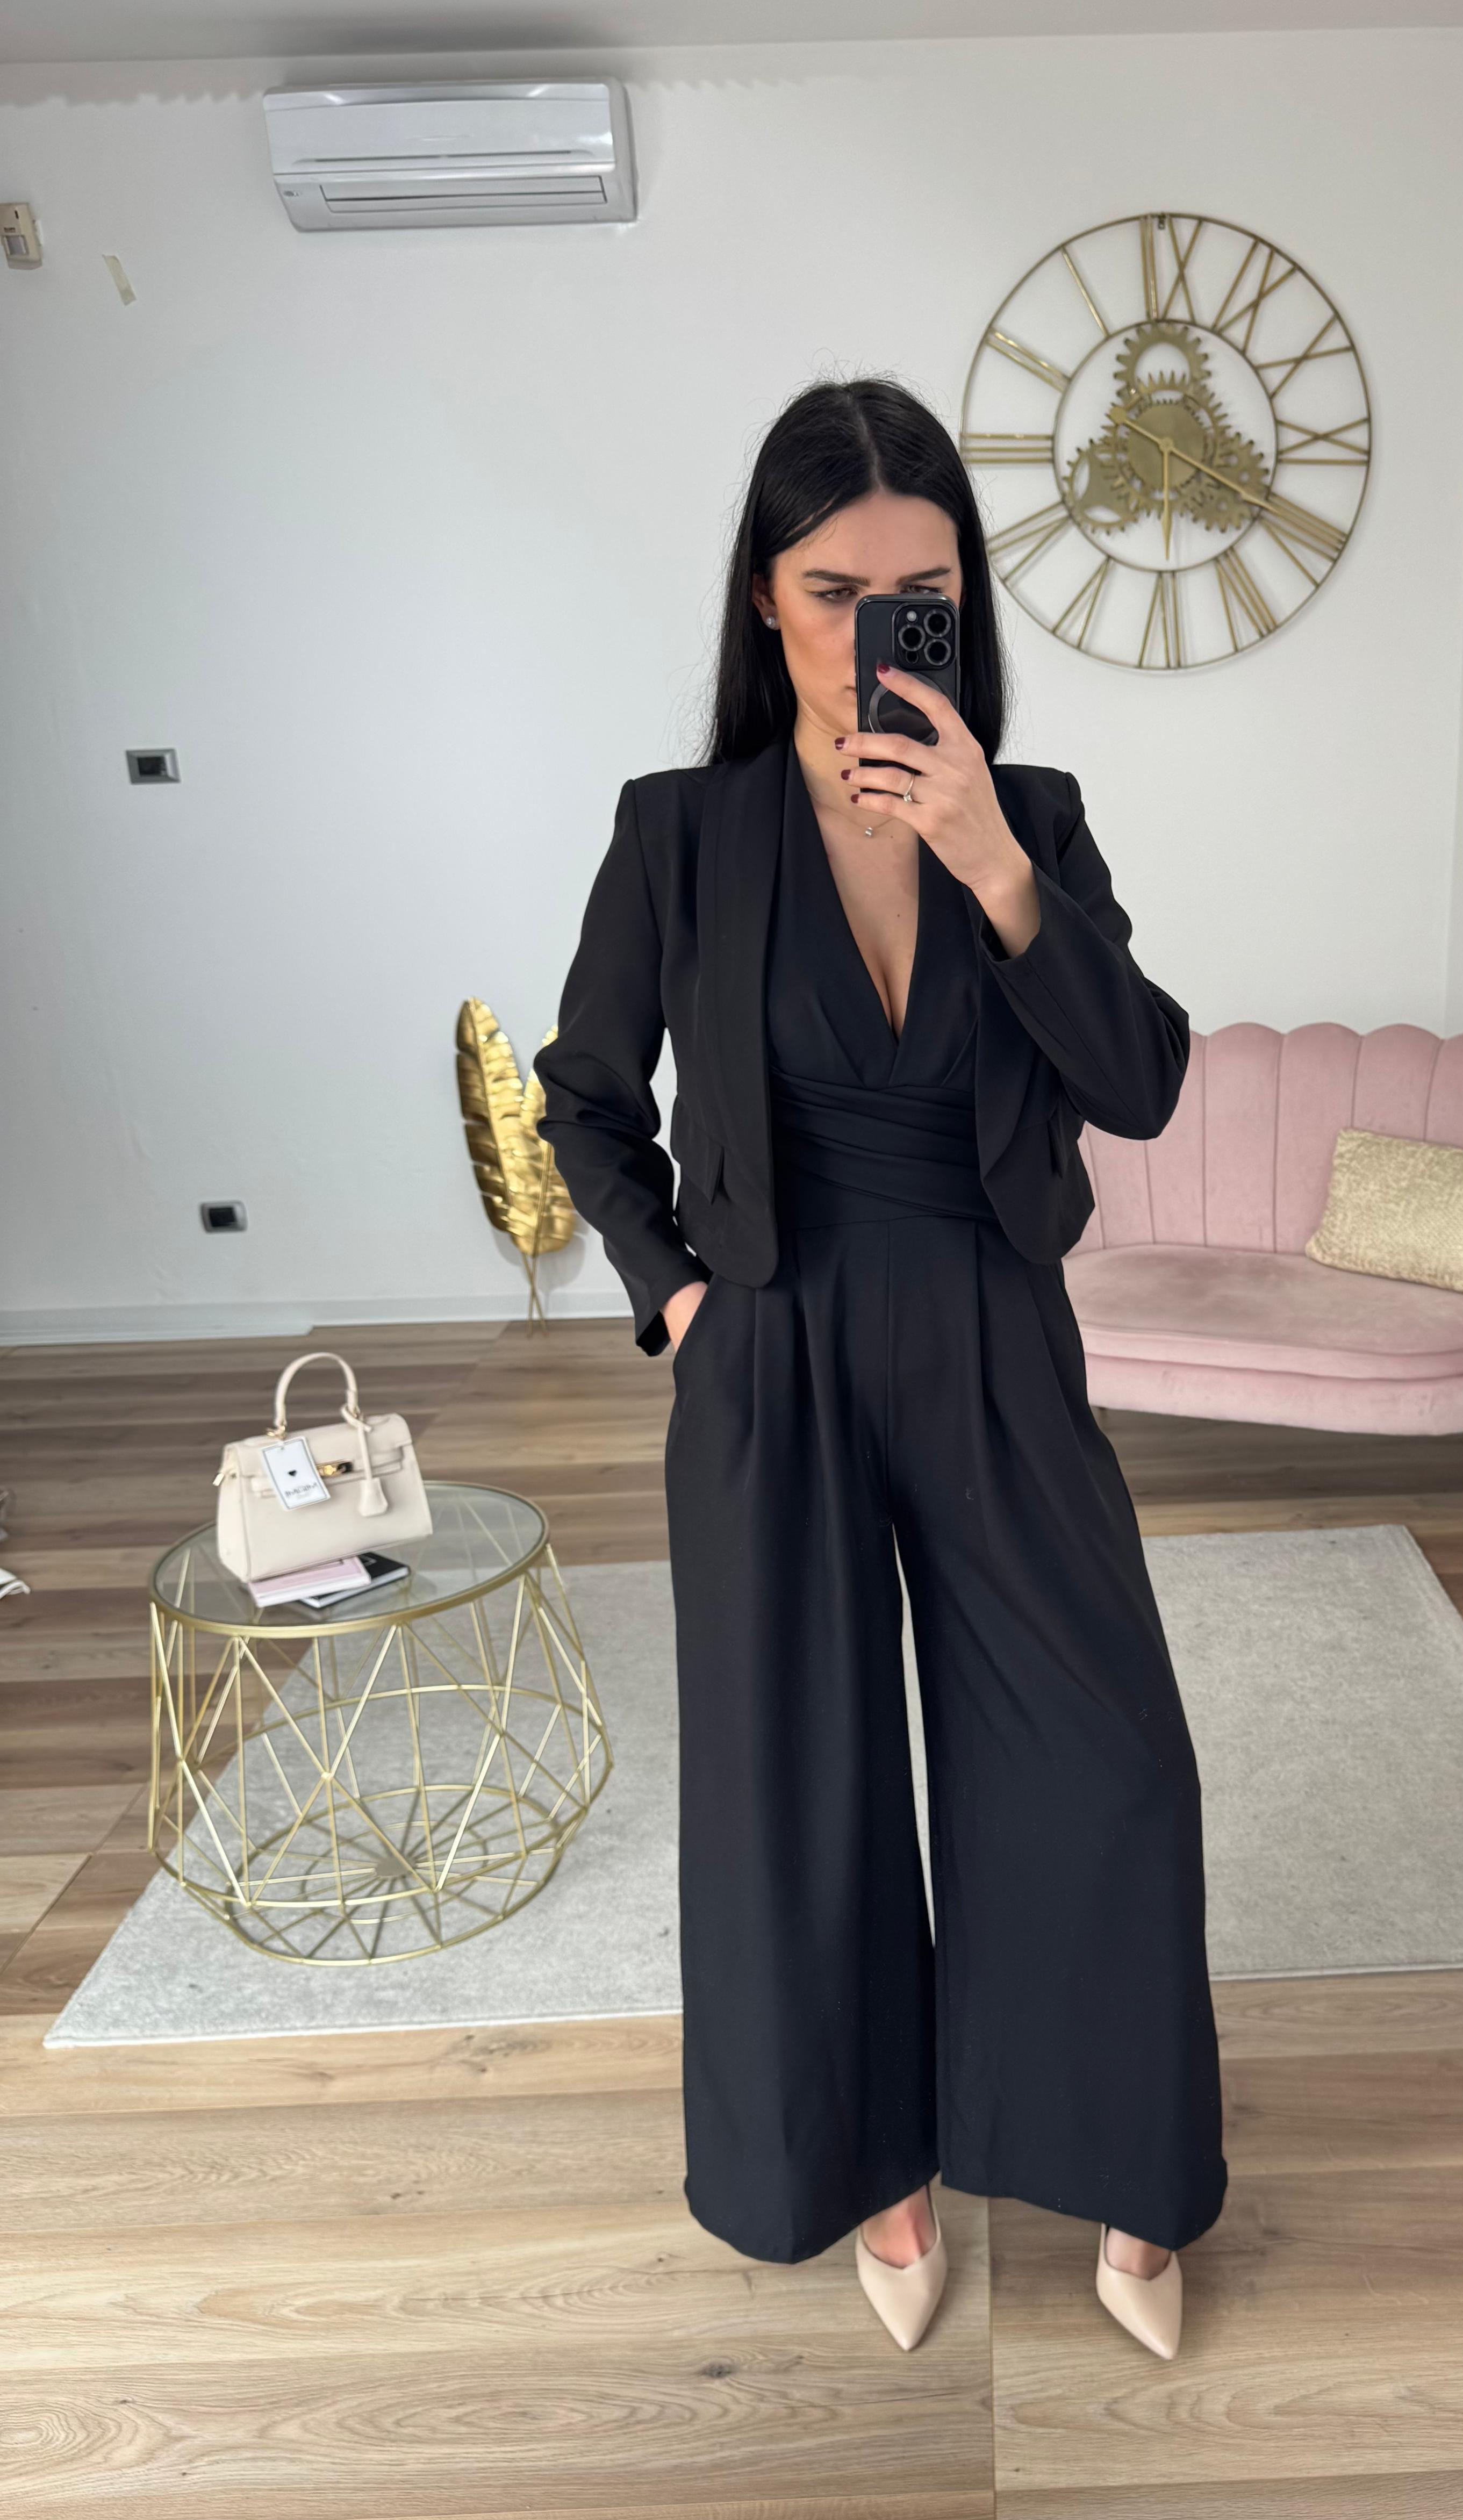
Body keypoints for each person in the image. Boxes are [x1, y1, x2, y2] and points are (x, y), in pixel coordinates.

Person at [535, 376, 1226, 2360]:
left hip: (999, 1332)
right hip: (777, 1347)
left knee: (1109, 1761)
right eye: (833, 590)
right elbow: (587, 1096)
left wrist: (996, 866)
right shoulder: (680, 834)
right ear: (766, 598)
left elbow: (1142, 1082)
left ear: (962, 602)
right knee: (801, 1796)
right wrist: (677, 1299)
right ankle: (882, 2178)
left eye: (918, 591)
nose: (870, 632)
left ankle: (1129, 2168)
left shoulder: (1039, 818)